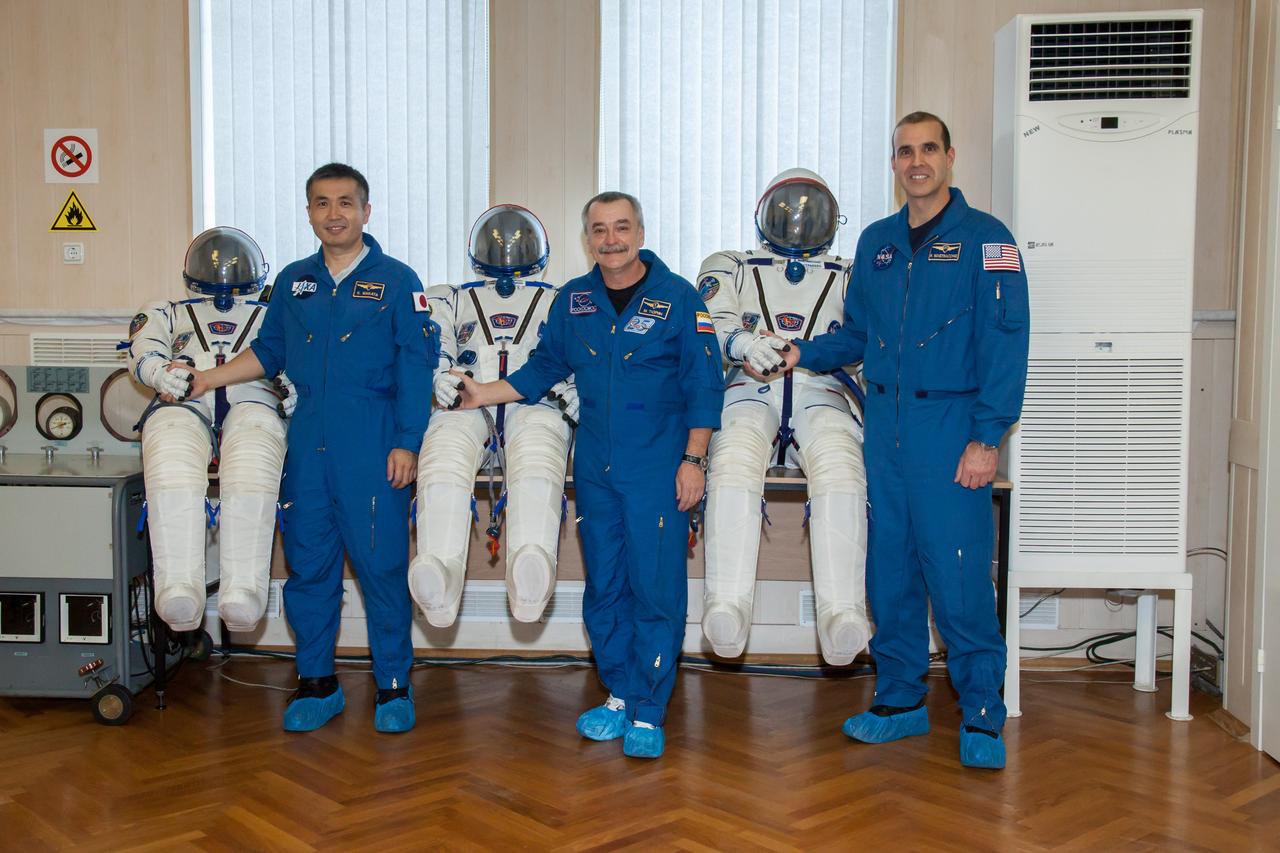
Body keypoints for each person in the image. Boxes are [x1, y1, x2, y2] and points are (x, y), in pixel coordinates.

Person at [769, 112, 1030, 769]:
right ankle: (900, 699)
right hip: (882, 428)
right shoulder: (879, 245)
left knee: (960, 574)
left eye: (928, 149)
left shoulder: (988, 241)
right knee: (891, 572)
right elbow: (857, 334)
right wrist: (801, 350)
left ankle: (980, 713)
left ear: (950, 156)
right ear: (893, 164)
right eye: (904, 152)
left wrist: (987, 436)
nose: (916, 162)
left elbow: (1006, 344)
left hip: (951, 429)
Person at [452, 191, 724, 758]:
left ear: (640, 231)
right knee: (604, 587)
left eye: (621, 227)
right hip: (596, 467)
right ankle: (619, 693)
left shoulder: (679, 299)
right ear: (587, 239)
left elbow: (704, 385)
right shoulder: (574, 300)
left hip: (659, 467)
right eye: (599, 230)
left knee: (655, 588)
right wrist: (482, 393)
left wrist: (694, 460)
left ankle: (650, 708)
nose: (610, 239)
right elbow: (543, 368)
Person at [179, 163, 437, 734]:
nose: (334, 214)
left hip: (373, 445)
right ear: (309, 212)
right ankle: (317, 681)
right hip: (308, 447)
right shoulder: (294, 282)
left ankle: (393, 685)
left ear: (366, 211)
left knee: (381, 567)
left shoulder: (399, 281)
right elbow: (268, 352)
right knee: (309, 568)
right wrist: (205, 379)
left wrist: (407, 443)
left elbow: (418, 368)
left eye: (346, 202)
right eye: (322, 203)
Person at [697, 168, 870, 666]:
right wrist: (742, 343)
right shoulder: (731, 264)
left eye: (810, 210)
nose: (797, 220)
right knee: (732, 460)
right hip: (748, 383)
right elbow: (709, 322)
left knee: (840, 465)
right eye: (787, 208)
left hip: (822, 387)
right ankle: (726, 603)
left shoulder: (852, 272)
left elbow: (862, 338)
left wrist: (807, 353)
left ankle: (842, 613)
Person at [412, 204, 577, 626]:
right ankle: (438, 569)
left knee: (539, 456)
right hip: (464, 398)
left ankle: (531, 567)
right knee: (443, 455)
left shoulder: (561, 299)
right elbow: (433, 340)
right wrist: (438, 377)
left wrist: (578, 392)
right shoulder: (447, 296)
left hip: (535, 400)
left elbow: (579, 354)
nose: (507, 256)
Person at [128, 226, 293, 634]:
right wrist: (159, 374)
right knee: (169, 446)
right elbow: (143, 350)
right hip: (183, 398)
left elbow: (296, 357)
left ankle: (244, 589)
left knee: (254, 453)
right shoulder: (167, 310)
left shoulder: (274, 311)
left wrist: (295, 390)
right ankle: (178, 586)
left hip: (252, 399)